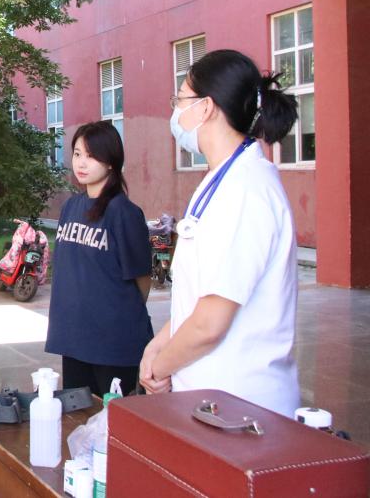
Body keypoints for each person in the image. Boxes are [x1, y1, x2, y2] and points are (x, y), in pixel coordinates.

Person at [140, 49, 300, 417]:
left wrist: (158, 369)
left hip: (240, 408)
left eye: (180, 100)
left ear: (206, 108)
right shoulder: (222, 178)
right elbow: (199, 298)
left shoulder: (246, 190)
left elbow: (210, 324)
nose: (176, 113)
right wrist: (158, 345)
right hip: (209, 400)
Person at [44, 121, 152, 396]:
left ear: (111, 161)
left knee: (112, 417)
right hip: (74, 337)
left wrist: (117, 316)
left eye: (91, 156)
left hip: (113, 343)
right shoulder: (71, 206)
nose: (81, 163)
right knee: (78, 416)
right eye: (77, 153)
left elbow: (142, 279)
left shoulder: (124, 213)